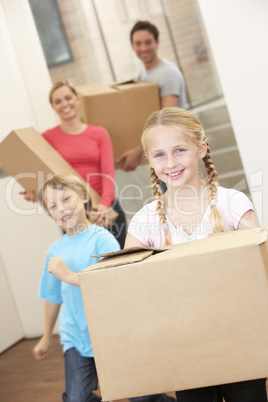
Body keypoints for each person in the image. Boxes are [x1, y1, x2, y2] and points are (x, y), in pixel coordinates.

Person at [125, 107, 267, 402]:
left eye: (180, 150)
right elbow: (127, 285)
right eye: (159, 154)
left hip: (239, 340)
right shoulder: (145, 221)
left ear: (201, 149)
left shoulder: (232, 203)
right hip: (183, 346)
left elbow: (260, 268)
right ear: (149, 159)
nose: (171, 163)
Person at [33, 173, 120, 402]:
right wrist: (45, 336)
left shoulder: (103, 240)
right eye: (53, 206)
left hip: (110, 333)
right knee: (76, 399)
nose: (61, 209)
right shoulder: (54, 250)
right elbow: (52, 297)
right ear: (50, 214)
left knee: (141, 396)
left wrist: (69, 275)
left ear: (83, 196)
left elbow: (111, 285)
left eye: (66, 199)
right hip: (75, 336)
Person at [21, 81, 126, 248]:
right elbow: (45, 175)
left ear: (77, 99)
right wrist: (35, 193)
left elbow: (107, 172)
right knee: (86, 269)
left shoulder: (99, 133)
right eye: (58, 101)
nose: (64, 104)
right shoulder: (47, 138)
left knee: (120, 262)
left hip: (104, 209)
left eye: (68, 98)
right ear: (53, 107)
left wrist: (104, 204)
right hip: (70, 212)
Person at [117, 20, 186, 172]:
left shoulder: (167, 73)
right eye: (138, 43)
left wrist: (137, 151)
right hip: (160, 152)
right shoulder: (143, 74)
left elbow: (166, 120)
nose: (143, 48)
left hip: (175, 154)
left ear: (157, 42)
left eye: (148, 42)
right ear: (132, 46)